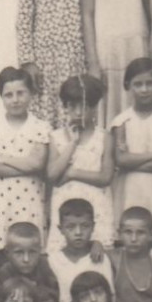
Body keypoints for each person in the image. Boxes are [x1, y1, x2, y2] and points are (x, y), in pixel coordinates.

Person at [0, 67, 51, 248]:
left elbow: (37, 164)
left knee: (28, 251)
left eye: (21, 93)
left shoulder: (41, 126)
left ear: (31, 93)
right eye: (8, 95)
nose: (15, 100)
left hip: (30, 200)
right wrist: (25, 165)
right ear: (1, 96)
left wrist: (3, 158)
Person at [48, 75, 115, 243]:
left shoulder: (104, 137)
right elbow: (51, 175)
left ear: (94, 107)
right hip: (65, 207)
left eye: (84, 106)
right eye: (72, 106)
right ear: (65, 106)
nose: (78, 112)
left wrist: (73, 173)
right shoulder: (56, 137)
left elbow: (105, 177)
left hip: (96, 206)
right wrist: (73, 143)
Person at [111, 58, 152, 230]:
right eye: (138, 84)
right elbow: (120, 159)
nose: (144, 89)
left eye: (150, 84)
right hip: (129, 188)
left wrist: (132, 162)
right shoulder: (122, 121)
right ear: (128, 86)